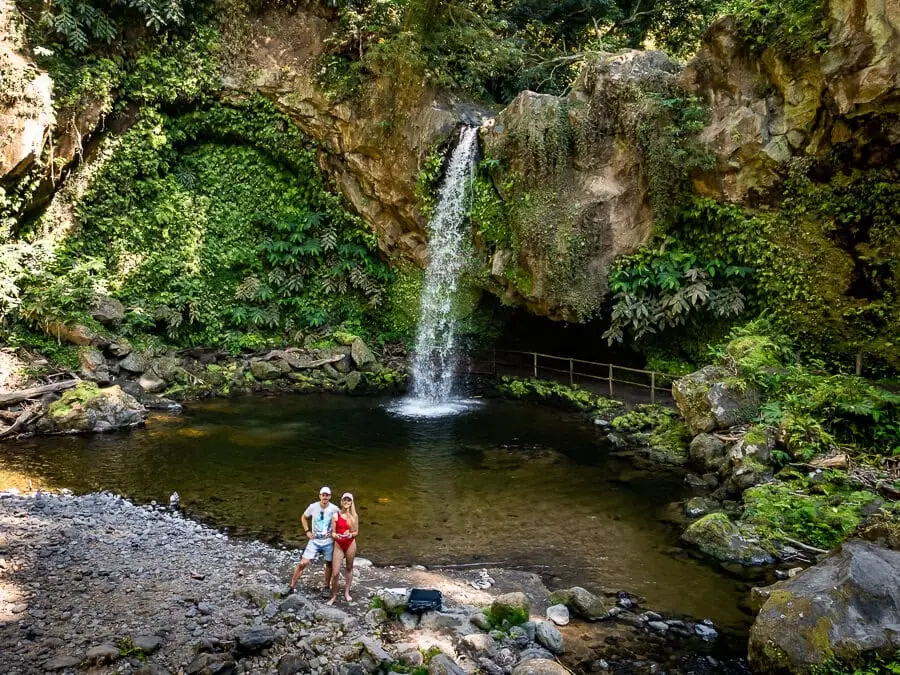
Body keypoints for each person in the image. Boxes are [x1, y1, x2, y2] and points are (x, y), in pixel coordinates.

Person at [289, 486, 339, 594]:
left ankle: (326, 587)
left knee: (329, 564)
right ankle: (291, 586)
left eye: (327, 495)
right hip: (314, 541)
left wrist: (335, 532)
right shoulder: (313, 507)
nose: (325, 497)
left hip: (328, 541)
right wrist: (307, 531)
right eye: (323, 495)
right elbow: (303, 517)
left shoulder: (335, 509)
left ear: (330, 496)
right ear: (320, 496)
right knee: (303, 563)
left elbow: (341, 521)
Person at [327, 492, 359, 605]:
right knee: (335, 572)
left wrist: (350, 534)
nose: (346, 502)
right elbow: (333, 533)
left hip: (350, 543)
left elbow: (356, 532)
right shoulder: (336, 515)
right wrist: (337, 536)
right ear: (342, 501)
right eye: (345, 500)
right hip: (339, 545)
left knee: (349, 567)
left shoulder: (354, 516)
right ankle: (334, 596)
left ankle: (346, 592)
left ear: (351, 502)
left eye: (349, 500)